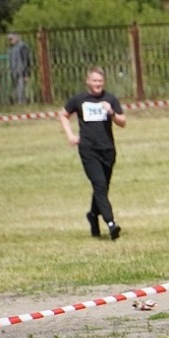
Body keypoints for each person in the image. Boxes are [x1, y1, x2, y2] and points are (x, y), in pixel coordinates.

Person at [60, 67, 126, 240]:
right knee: (99, 184)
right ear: (88, 81)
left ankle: (92, 215)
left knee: (102, 188)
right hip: (88, 150)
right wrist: (70, 135)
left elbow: (123, 122)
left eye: (100, 81)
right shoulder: (79, 99)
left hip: (108, 150)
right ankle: (111, 223)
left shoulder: (110, 99)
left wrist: (112, 112)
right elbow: (63, 115)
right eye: (95, 81)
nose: (98, 84)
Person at [7, 33, 33, 105]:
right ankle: (17, 103)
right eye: (9, 39)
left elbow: (26, 60)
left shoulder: (23, 46)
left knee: (21, 89)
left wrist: (26, 74)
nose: (10, 41)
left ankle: (22, 103)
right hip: (13, 72)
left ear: (17, 37)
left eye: (11, 39)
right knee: (15, 90)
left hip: (21, 72)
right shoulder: (10, 48)